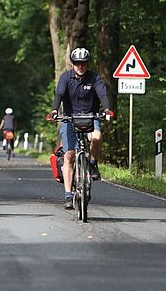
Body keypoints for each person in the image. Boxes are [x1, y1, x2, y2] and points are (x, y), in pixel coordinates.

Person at [48, 47, 112, 210]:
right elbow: (59, 94)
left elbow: (102, 94)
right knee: (69, 156)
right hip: (70, 119)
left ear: (87, 64)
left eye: (83, 63)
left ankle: (92, 163)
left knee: (96, 137)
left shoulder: (94, 78)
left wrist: (106, 110)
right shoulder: (65, 78)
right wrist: (55, 110)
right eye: (77, 63)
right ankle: (68, 195)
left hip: (90, 117)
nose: (80, 66)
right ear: (73, 63)